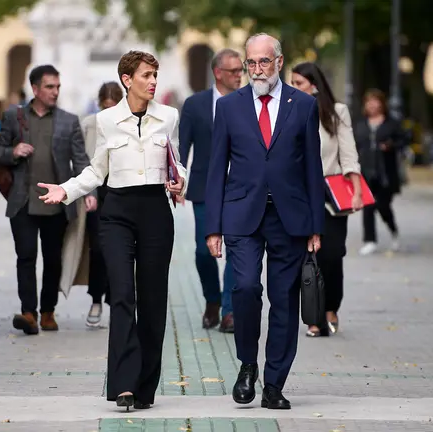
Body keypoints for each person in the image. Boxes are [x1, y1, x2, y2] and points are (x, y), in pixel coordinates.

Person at [38, 51, 187, 410]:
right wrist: (66, 190)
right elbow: (96, 170)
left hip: (155, 211)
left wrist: (181, 181)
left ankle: (145, 387)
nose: (153, 82)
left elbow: (177, 162)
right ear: (127, 79)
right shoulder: (106, 120)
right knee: (121, 295)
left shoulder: (168, 117)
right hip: (117, 212)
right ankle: (122, 384)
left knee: (152, 301)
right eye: (147, 75)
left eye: (155, 75)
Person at [205, 33, 324, 410]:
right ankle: (247, 365)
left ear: (279, 62)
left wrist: (316, 225)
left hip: (290, 218)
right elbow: (215, 169)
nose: (256, 69)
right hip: (241, 214)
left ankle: (274, 383)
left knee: (284, 301)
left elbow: (312, 169)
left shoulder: (303, 105)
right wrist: (213, 226)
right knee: (243, 288)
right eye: (251, 62)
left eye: (263, 62)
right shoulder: (229, 107)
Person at [0, 65, 95, 335]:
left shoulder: (69, 121)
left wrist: (89, 193)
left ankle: (48, 312)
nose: (55, 92)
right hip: (22, 201)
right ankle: (28, 313)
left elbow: (81, 160)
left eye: (57, 87)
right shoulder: (14, 117)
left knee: (52, 260)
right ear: (35, 89)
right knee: (25, 257)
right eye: (49, 87)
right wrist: (13, 150)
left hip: (56, 202)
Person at [291, 62, 363, 337]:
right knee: (307, 259)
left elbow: (349, 153)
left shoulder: (336, 112)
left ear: (314, 84)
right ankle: (313, 317)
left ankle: (331, 306)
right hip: (299, 194)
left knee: (332, 256)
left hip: (331, 195)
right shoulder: (291, 110)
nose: (294, 88)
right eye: (293, 83)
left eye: (299, 83)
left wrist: (356, 191)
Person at [179, 48, 242, 333]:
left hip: (241, 189)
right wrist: (177, 180)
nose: (240, 76)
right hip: (204, 189)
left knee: (237, 251)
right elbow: (182, 147)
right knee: (204, 252)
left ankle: (230, 311)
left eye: (241, 70)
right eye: (234, 71)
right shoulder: (195, 104)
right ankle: (212, 300)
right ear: (218, 73)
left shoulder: (249, 102)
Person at [79, 81, 123, 327]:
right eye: (105, 106)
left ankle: (116, 302)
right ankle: (96, 298)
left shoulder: (128, 124)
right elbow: (83, 161)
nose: (109, 111)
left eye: (113, 106)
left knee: (121, 251)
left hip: (122, 193)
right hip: (97, 194)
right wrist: (89, 192)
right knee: (98, 250)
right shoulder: (88, 125)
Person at [353, 89, 404, 255]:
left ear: (382, 104)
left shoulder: (392, 123)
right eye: (369, 101)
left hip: (385, 173)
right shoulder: (360, 124)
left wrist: (390, 145)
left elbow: (402, 140)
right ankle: (370, 240)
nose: (372, 105)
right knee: (368, 205)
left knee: (383, 205)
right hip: (366, 171)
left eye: (375, 101)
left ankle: (393, 230)